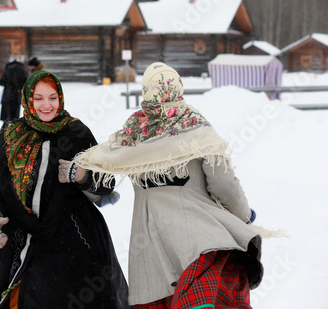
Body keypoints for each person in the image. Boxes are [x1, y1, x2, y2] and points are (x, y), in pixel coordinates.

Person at [71, 62, 264, 308]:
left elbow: (99, 178)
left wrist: (77, 176)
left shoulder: (132, 135)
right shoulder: (195, 126)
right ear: (178, 87)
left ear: (146, 90)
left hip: (151, 258)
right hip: (198, 245)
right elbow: (222, 183)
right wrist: (243, 215)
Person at [0, 70, 130, 309]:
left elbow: (105, 184)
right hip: (19, 238)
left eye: (53, 98)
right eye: (38, 98)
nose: (47, 105)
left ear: (61, 98)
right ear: (28, 99)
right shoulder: (12, 135)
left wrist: (81, 175)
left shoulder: (77, 133)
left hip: (72, 242)